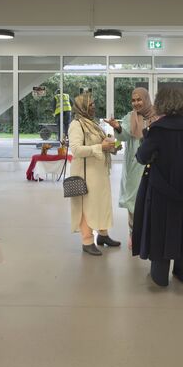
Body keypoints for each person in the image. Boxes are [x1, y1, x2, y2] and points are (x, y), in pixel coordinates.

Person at [133, 87, 183, 287]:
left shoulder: (157, 130)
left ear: (161, 104)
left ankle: (160, 276)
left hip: (160, 191)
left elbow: (142, 157)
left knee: (160, 231)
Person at [67, 92, 121, 256]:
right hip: (86, 174)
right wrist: (100, 147)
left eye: (93, 103)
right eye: (90, 104)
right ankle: (87, 241)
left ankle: (103, 235)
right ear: (82, 106)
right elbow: (76, 150)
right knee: (87, 207)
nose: (93, 107)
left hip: (99, 173)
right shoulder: (77, 124)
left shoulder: (92, 123)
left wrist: (112, 146)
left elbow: (101, 143)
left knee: (101, 204)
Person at [106, 87, 157, 240]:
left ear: (146, 99)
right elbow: (125, 136)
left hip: (155, 163)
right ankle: (133, 233)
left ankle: (150, 234)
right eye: (133, 100)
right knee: (133, 198)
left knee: (153, 198)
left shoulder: (157, 116)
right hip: (135, 163)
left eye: (139, 99)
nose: (136, 103)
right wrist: (117, 127)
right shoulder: (130, 117)